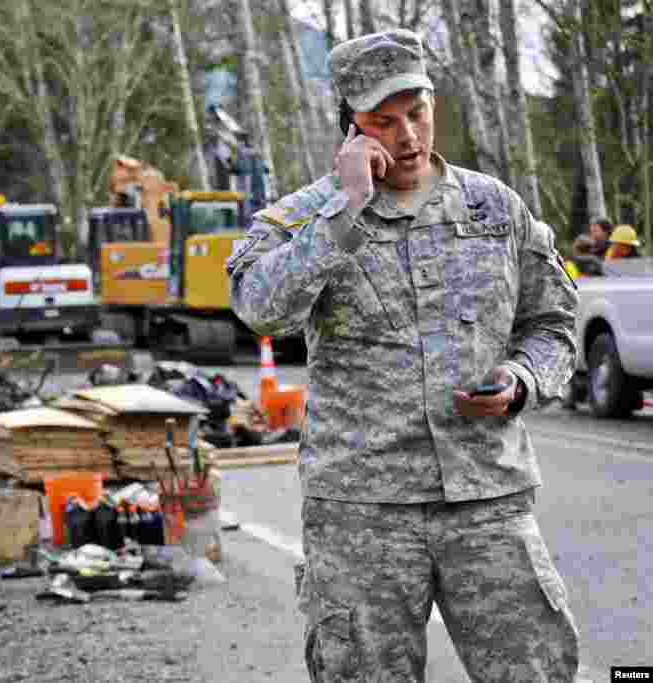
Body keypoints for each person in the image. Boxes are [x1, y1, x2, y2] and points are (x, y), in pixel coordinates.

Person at [226, 29, 580, 681]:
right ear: (353, 131)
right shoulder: (306, 216)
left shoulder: (495, 208)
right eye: (384, 123)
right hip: (362, 512)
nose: (410, 137)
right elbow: (258, 304)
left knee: (538, 669)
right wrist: (348, 209)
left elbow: (555, 322)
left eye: (417, 113)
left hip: (486, 500)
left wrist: (525, 377)